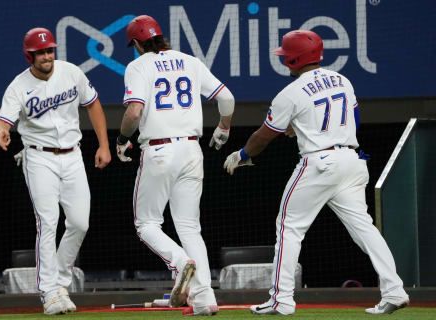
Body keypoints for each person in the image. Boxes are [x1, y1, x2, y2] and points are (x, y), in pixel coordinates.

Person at [223, 30, 409, 316]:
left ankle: (281, 300)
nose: (284, 60)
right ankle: (395, 290)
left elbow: (263, 137)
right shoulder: (342, 80)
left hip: (320, 163)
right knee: (365, 229)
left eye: (286, 55)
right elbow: (354, 118)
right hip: (351, 159)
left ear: (295, 58)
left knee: (288, 228)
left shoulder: (291, 92)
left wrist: (243, 155)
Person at [116, 15, 234, 316]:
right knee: (189, 226)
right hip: (192, 150)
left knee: (147, 224)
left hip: (159, 150)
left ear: (138, 43)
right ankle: (205, 298)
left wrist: (121, 139)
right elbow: (227, 98)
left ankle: (180, 263)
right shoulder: (189, 61)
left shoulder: (138, 66)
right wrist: (224, 127)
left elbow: (133, 112)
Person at [0, 27, 111, 315]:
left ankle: (59, 283)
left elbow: (92, 104)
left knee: (80, 223)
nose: (47, 56)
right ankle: (49, 292)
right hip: (39, 159)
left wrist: (104, 145)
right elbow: (2, 120)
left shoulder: (71, 72)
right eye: (40, 52)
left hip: (73, 156)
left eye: (49, 50)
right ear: (29, 55)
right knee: (48, 222)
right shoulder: (18, 86)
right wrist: (1, 130)